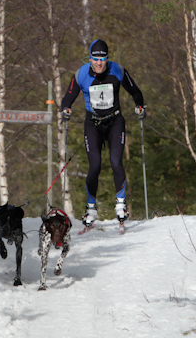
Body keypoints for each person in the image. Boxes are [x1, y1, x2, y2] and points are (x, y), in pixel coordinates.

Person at [60, 39, 145, 227]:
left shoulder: (117, 70)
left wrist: (139, 105)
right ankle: (90, 209)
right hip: (93, 124)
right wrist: (66, 109)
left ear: (107, 58)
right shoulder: (81, 74)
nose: (99, 63)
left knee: (116, 162)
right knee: (95, 165)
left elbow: (135, 91)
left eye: (103, 58)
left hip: (115, 121)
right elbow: (68, 97)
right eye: (95, 58)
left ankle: (121, 205)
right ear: (90, 58)